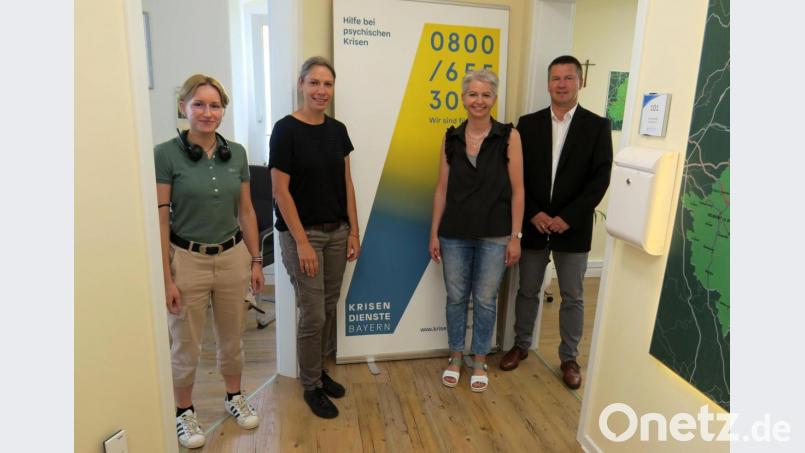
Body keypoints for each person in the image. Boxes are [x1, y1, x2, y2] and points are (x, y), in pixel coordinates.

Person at [155, 74, 264, 449]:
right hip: (187, 260)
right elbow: (160, 217)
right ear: (183, 107)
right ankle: (183, 411)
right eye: (198, 104)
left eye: (215, 105)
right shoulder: (165, 154)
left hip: (232, 257)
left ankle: (234, 396)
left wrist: (255, 260)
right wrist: (166, 278)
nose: (207, 112)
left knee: (233, 338)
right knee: (185, 344)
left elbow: (246, 211)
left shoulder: (237, 153)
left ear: (223, 110)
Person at [500, 55, 613, 390]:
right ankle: (521, 344)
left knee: (573, 296)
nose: (561, 84)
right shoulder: (527, 124)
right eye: (555, 78)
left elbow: (600, 179)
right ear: (548, 83)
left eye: (568, 78)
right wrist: (533, 212)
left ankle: (569, 358)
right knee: (527, 290)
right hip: (534, 224)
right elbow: (517, 175)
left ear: (580, 82)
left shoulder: (597, 126)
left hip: (572, 229)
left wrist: (568, 217)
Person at [269, 56, 361, 419]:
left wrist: (354, 231)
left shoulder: (338, 130)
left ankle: (319, 372)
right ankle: (310, 384)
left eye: (327, 84)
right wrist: (302, 243)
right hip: (301, 235)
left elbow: (346, 183)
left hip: (337, 232)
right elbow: (280, 191)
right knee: (313, 314)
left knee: (328, 306)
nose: (321, 91)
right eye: (314, 83)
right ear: (301, 85)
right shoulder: (285, 129)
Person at [429, 69, 524, 393]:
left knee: (485, 300)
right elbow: (441, 189)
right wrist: (433, 233)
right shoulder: (451, 137)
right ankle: (456, 356)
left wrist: (515, 236)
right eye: (473, 94)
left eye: (485, 95)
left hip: (495, 235)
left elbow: (519, 190)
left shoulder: (509, 137)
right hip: (454, 234)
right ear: (463, 98)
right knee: (456, 298)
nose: (478, 100)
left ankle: (480, 359)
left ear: (494, 99)